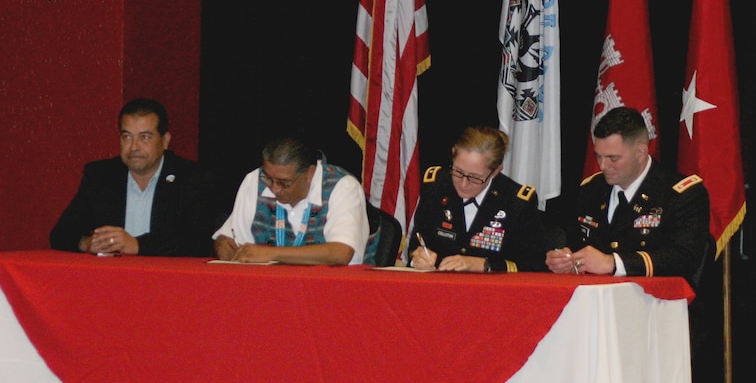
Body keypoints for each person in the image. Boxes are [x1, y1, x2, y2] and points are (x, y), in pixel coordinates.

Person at [545, 106, 710, 282]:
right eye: (598, 156)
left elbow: (685, 258)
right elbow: (576, 242)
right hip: (595, 299)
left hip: (655, 302)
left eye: (613, 158)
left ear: (640, 152)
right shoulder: (592, 189)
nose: (603, 166)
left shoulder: (680, 194)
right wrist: (565, 259)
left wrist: (614, 263)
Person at [50, 98, 219, 257]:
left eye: (144, 137)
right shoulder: (101, 176)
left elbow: (200, 241)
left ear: (165, 141)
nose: (134, 147)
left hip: (167, 279)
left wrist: (138, 245)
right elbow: (61, 233)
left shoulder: (192, 178)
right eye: (127, 137)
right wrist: (87, 243)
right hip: (110, 277)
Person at [407, 126, 547, 272]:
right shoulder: (436, 186)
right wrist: (417, 258)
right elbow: (418, 241)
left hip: (493, 291)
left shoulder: (516, 202)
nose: (463, 183)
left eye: (475, 178)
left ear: (496, 171)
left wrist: (485, 265)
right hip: (440, 286)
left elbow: (534, 265)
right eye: (458, 172)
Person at [213, 135, 369, 265]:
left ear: (309, 174)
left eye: (284, 183)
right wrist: (226, 248)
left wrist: (272, 253)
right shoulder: (254, 180)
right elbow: (227, 238)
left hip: (329, 289)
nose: (274, 189)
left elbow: (341, 253)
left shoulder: (342, 186)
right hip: (268, 289)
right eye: (268, 179)